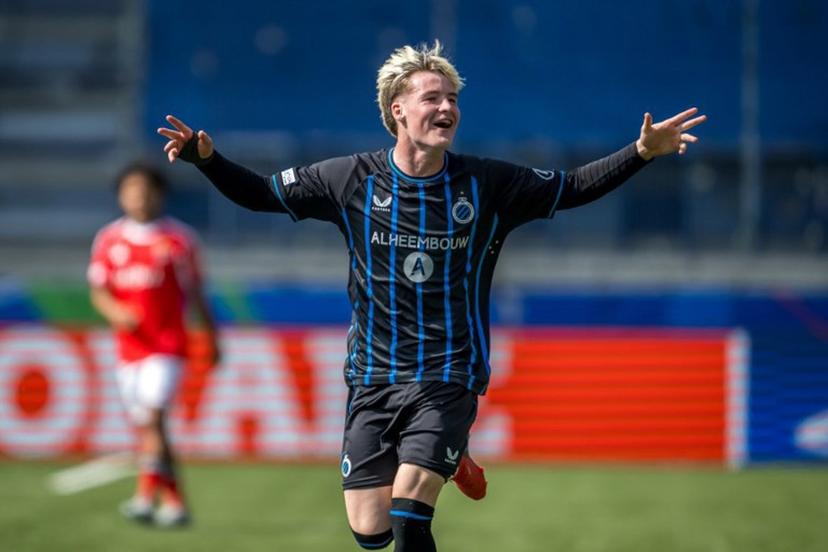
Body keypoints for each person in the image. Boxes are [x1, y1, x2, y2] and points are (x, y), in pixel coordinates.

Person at [157, 41, 705, 550]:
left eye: (452, 99)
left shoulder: (486, 183)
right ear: (398, 109)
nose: (447, 108)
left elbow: (572, 187)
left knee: (410, 512)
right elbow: (262, 196)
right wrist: (210, 161)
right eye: (432, 98)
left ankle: (442, 447)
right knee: (370, 531)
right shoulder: (350, 178)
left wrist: (640, 152)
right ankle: (454, 455)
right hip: (372, 374)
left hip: (449, 371)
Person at [88, 162, 219, 527]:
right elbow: (99, 291)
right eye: (131, 190)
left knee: (154, 414)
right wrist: (116, 312)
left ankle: (145, 497)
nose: (139, 197)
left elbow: (196, 295)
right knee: (150, 427)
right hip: (129, 348)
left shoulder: (179, 240)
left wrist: (212, 338)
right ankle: (176, 504)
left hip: (168, 345)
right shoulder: (109, 239)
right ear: (120, 195)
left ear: (160, 194)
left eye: (145, 189)